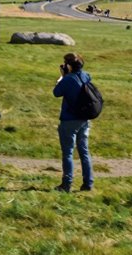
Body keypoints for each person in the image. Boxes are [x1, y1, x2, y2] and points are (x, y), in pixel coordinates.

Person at [53, 52, 94, 192]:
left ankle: (66, 183)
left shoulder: (67, 80)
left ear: (68, 66)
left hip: (69, 119)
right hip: (84, 118)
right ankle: (88, 183)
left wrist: (62, 77)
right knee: (84, 151)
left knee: (68, 152)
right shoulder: (86, 75)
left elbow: (56, 92)